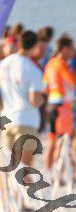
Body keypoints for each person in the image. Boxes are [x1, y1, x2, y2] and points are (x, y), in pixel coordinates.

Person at [0, 30, 44, 169]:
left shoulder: (3, 64)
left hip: (6, 118)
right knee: (24, 170)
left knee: (8, 169)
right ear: (35, 46)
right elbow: (34, 100)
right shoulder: (32, 69)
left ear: (19, 43)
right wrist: (43, 99)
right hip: (26, 119)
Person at [42, 34, 76, 170]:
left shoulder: (50, 64)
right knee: (62, 141)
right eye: (72, 48)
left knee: (51, 140)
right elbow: (75, 84)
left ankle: (48, 171)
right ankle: (58, 173)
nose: (74, 52)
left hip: (51, 104)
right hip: (63, 106)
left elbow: (44, 87)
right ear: (64, 49)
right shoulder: (62, 64)